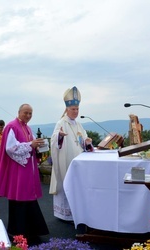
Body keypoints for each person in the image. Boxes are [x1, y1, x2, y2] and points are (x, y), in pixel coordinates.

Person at [0, 104, 49, 246]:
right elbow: (11, 148)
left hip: (28, 170)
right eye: (26, 113)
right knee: (20, 199)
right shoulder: (12, 126)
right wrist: (31, 145)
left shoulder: (28, 128)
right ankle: (18, 233)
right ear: (19, 112)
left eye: (30, 113)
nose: (28, 116)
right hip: (18, 171)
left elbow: (31, 144)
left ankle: (31, 231)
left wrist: (39, 145)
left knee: (29, 198)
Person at [49, 86, 93, 221]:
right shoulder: (61, 122)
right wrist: (60, 137)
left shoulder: (79, 125)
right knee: (66, 185)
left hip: (78, 162)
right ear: (67, 109)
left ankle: (76, 213)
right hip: (66, 161)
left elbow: (83, 140)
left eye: (77, 109)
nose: (76, 111)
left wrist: (87, 142)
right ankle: (64, 214)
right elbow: (54, 139)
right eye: (73, 109)